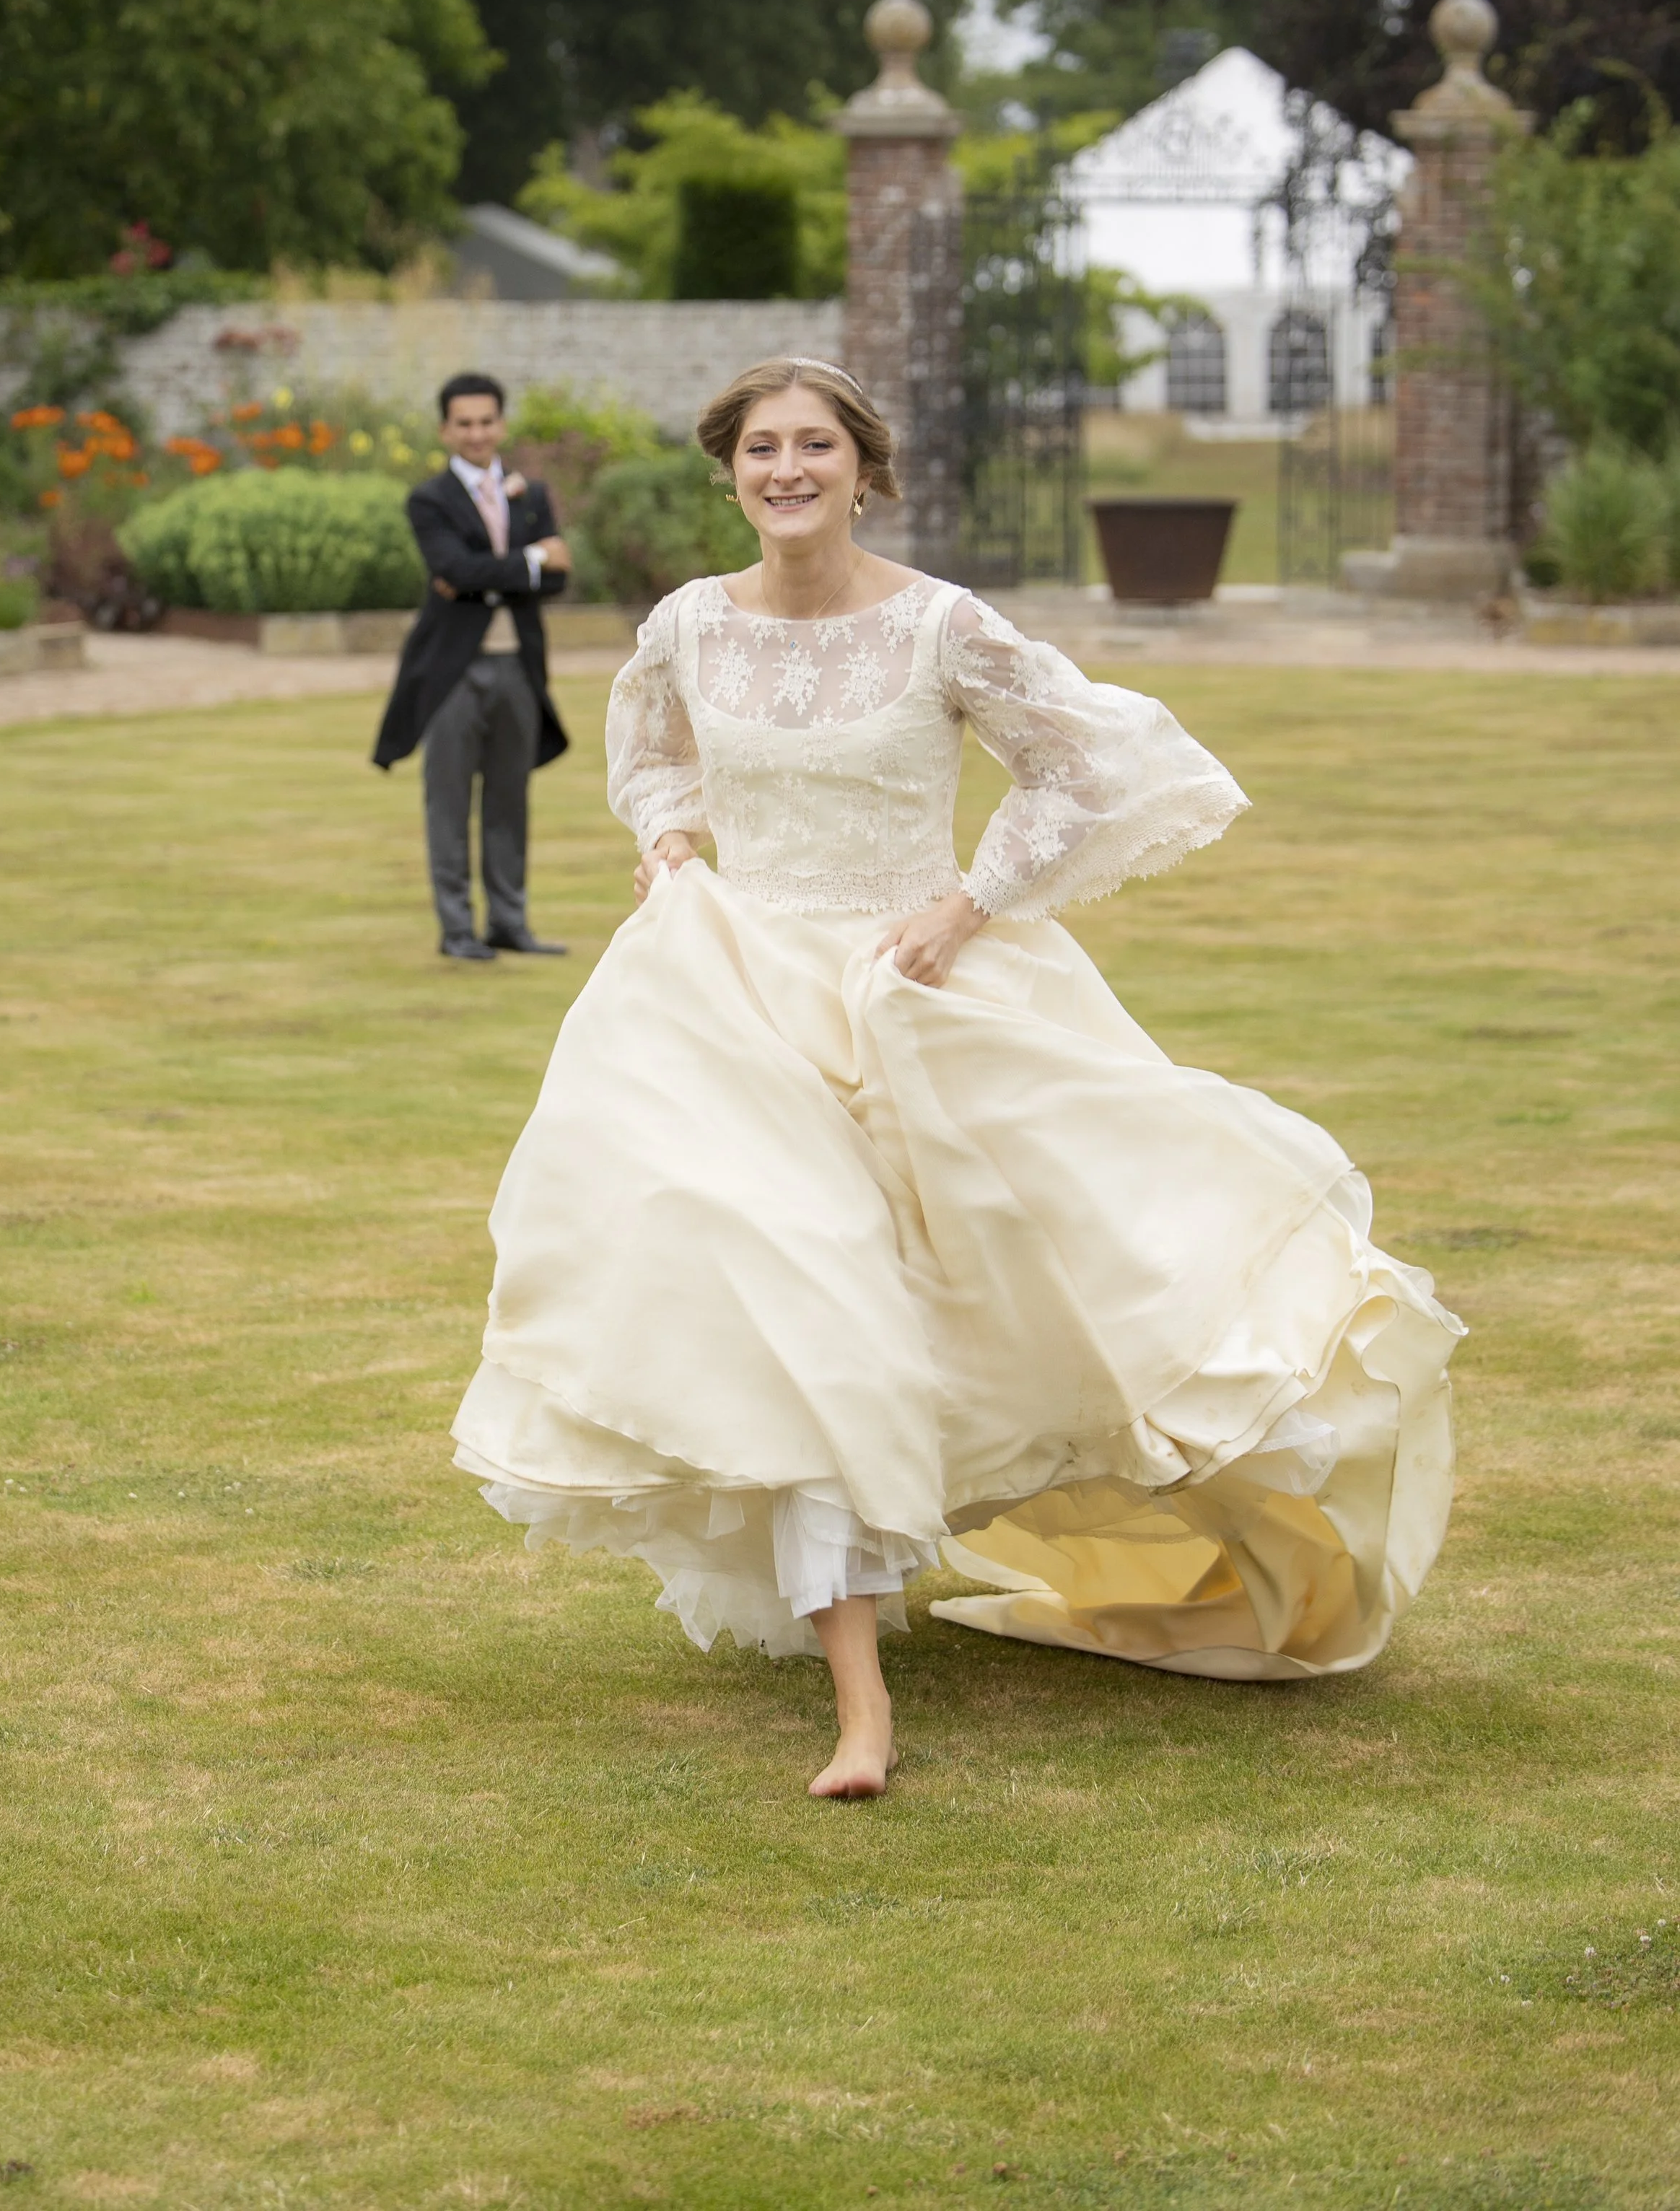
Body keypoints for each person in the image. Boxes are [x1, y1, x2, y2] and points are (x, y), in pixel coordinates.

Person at [450, 356, 1462, 1798]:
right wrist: (672, 845)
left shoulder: (938, 628)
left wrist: (968, 905)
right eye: (758, 448)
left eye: (813, 446)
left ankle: (1228, 1551)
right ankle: (859, 1710)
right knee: (795, 1297)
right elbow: (649, 756)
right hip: (730, 1001)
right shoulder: (686, 627)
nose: (784, 468)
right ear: (728, 473)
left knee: (1076, 1293)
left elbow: (1080, 769)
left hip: (913, 993)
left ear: (865, 469)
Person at [373, 373, 571, 961]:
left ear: (501, 425)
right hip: (452, 671)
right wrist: (530, 559)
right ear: (445, 430)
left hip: (518, 667)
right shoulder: (428, 500)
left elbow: (557, 577)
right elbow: (454, 571)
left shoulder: (531, 495)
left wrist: (495, 571)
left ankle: (509, 922)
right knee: (449, 801)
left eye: (487, 421)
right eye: (464, 423)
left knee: (510, 799)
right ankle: (457, 929)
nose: (477, 432)